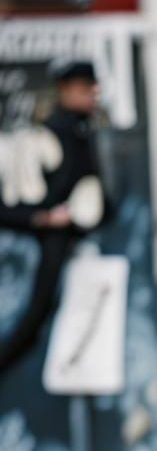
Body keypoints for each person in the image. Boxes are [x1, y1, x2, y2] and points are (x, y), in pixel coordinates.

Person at [0, 57, 113, 375]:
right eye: (84, 87)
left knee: (69, 325)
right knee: (35, 316)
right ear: (65, 89)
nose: (91, 94)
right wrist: (43, 218)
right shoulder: (50, 134)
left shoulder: (81, 129)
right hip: (46, 239)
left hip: (74, 241)